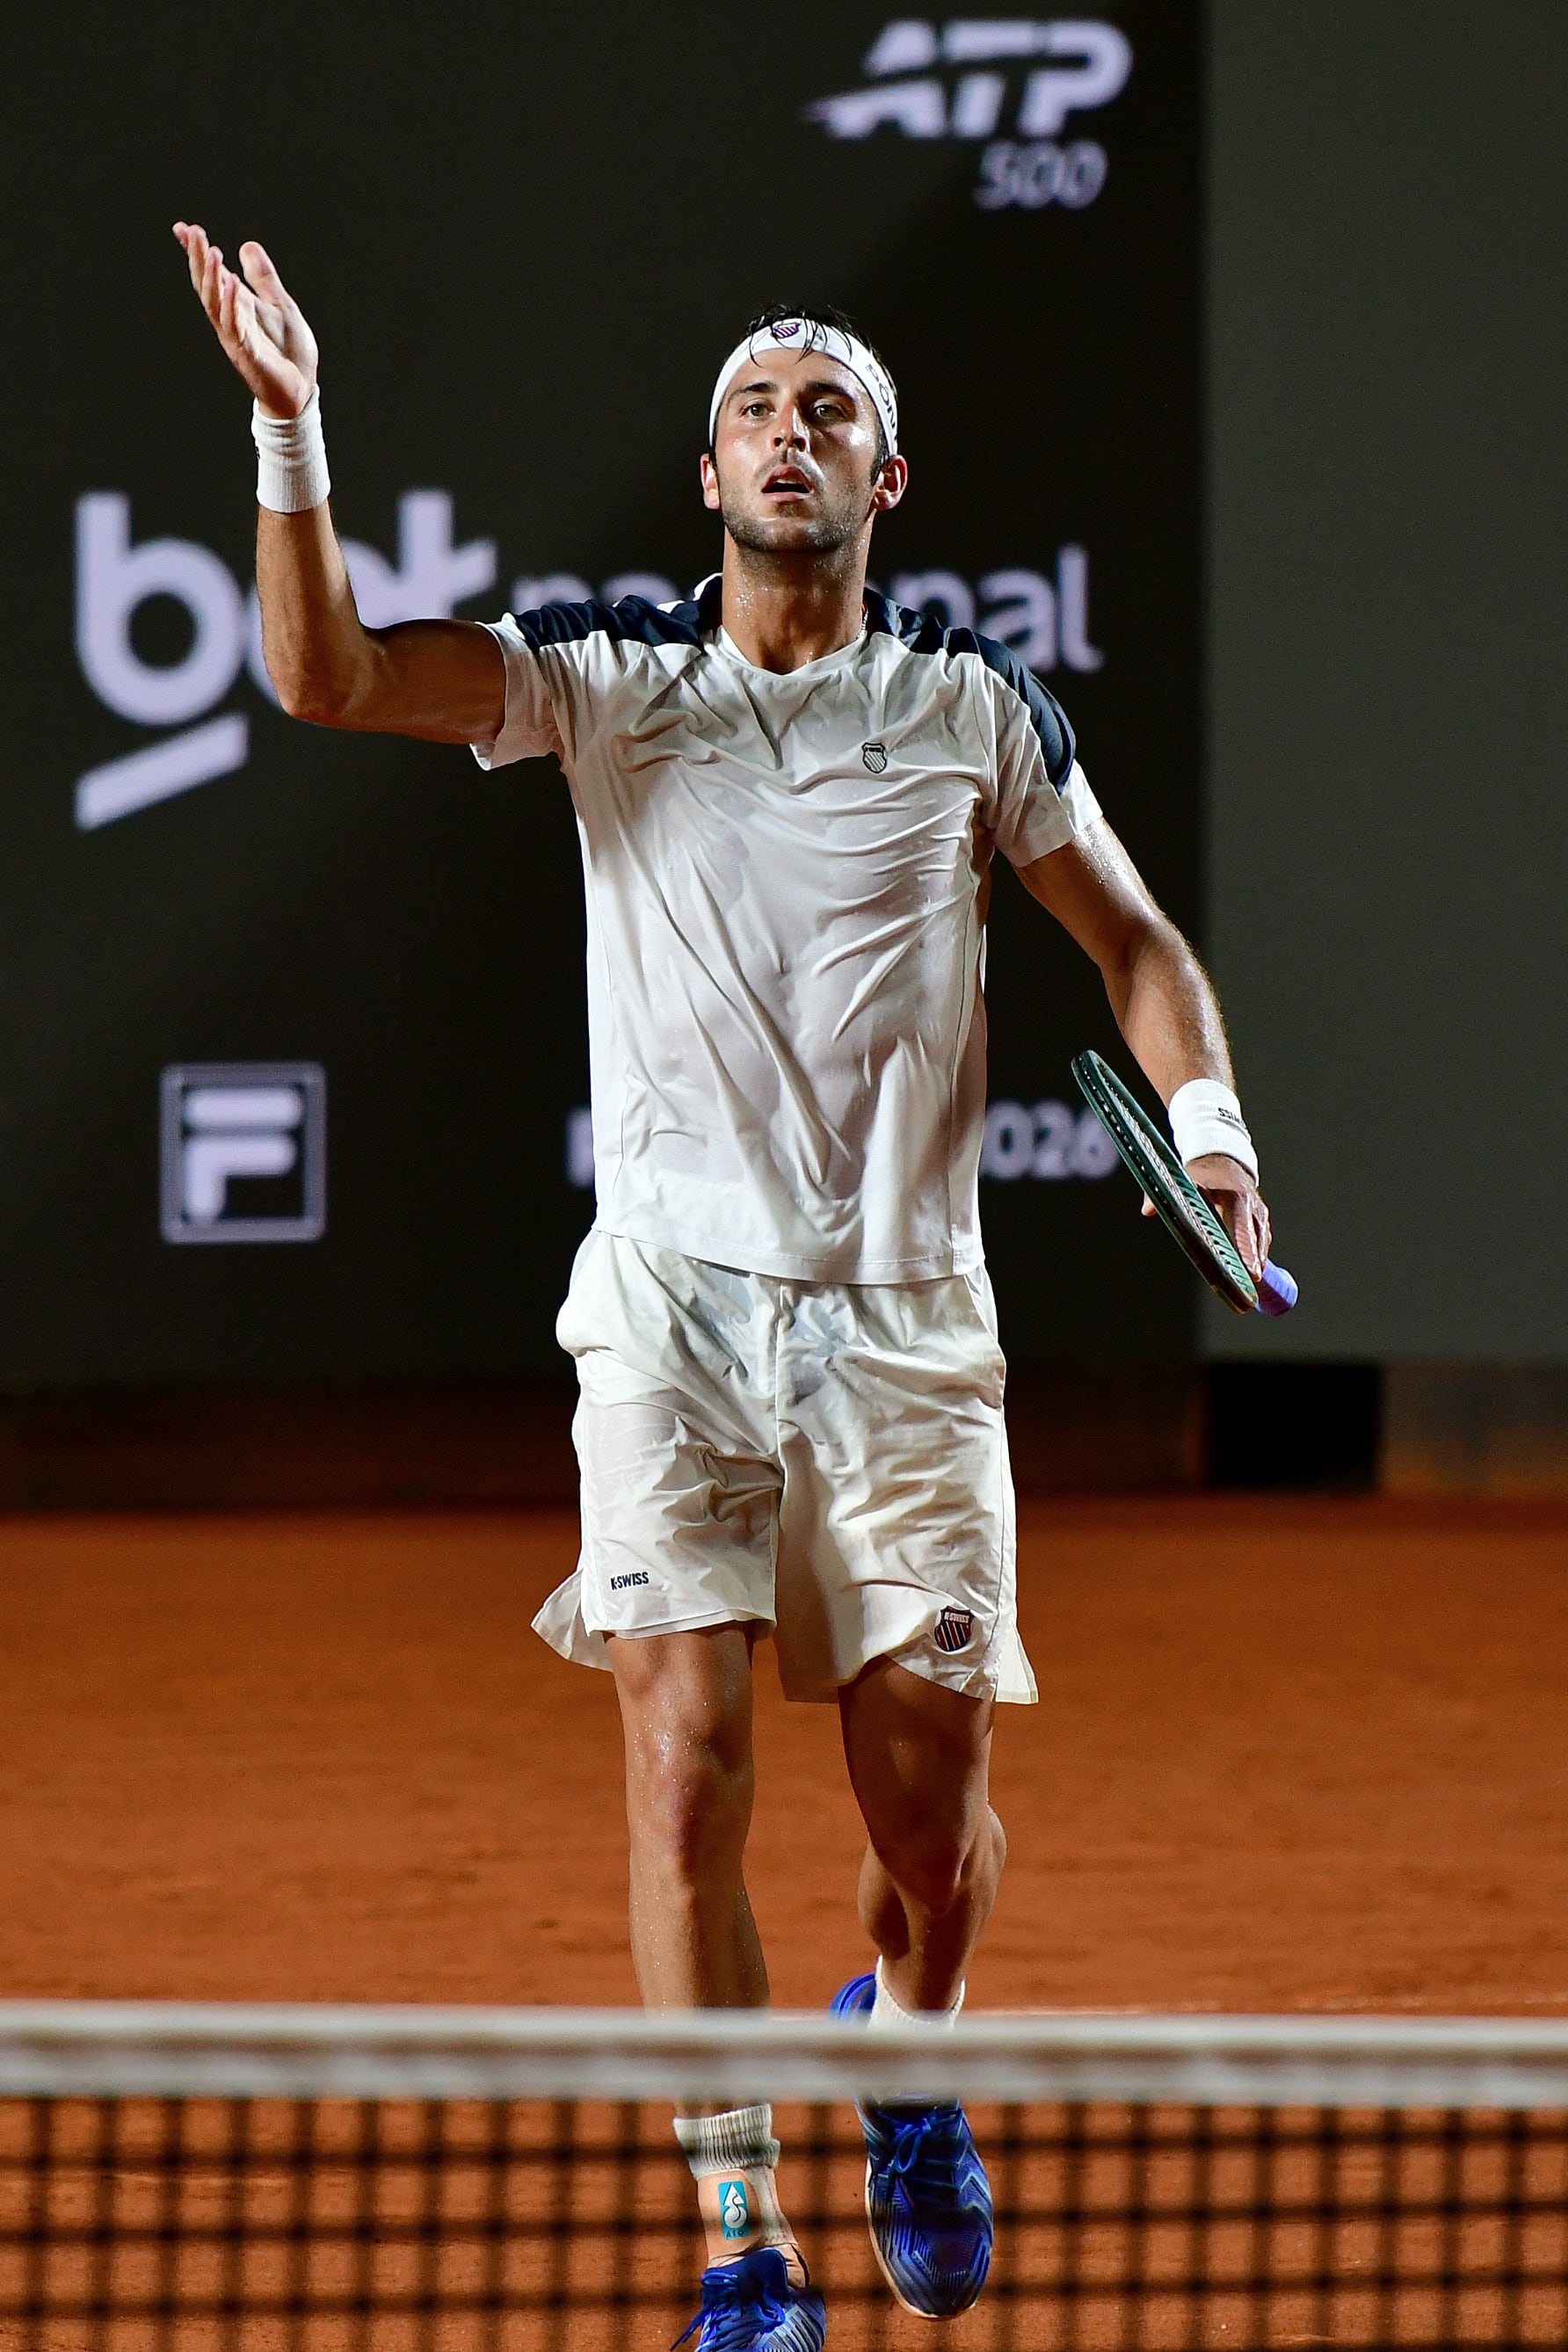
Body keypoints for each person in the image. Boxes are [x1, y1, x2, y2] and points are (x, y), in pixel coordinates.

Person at [174, 223, 1274, 2352]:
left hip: (907, 1334)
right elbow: (321, 677)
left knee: (931, 1827)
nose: (792, 431)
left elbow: (1136, 950)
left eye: (830, 409)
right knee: (680, 1766)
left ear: (885, 485)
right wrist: (290, 422)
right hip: (668, 1315)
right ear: (707, 480)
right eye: (757, 408)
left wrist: (1211, 1135)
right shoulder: (603, 684)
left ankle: (912, 2065)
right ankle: (746, 2243)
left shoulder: (975, 715)